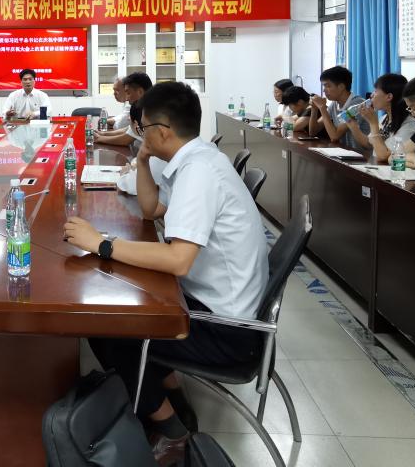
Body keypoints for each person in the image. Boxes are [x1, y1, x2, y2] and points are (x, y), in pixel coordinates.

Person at [66, 83, 268, 463]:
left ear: (162, 131)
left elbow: (178, 260)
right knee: (126, 299)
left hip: (228, 330)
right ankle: (170, 393)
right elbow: (150, 210)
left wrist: (102, 244)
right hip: (216, 302)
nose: (139, 135)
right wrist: (143, 161)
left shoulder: (199, 173)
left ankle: (171, 431)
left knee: (108, 324)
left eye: (143, 128)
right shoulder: (197, 159)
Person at [348, 74, 415, 160]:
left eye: (375, 91)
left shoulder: (410, 125)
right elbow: (368, 144)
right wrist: (353, 125)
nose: (371, 95)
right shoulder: (385, 118)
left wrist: (373, 123)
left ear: (389, 97)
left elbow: (384, 156)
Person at [309, 66, 369, 149]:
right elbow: (313, 132)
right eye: (324, 86)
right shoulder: (334, 104)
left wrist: (322, 108)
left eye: (328, 86)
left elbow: (334, 136)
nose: (324, 90)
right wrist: (314, 108)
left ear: (341, 87)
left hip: (362, 154)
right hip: (345, 152)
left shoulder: (357, 104)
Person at [95, 72, 153, 148]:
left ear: (140, 92)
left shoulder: (150, 111)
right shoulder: (141, 108)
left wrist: (99, 138)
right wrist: (103, 134)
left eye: (128, 93)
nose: (127, 98)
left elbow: (126, 139)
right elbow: (129, 129)